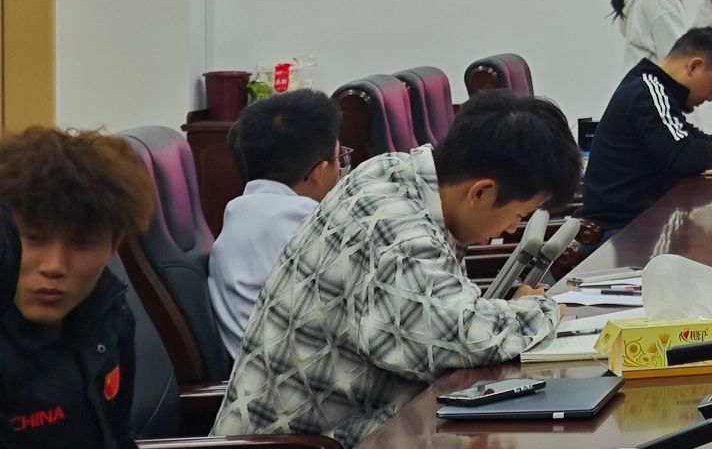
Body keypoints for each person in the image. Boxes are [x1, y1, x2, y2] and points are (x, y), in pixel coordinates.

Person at [212, 92, 584, 447]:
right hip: (296, 444)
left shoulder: (393, 172)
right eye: (518, 214)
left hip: (356, 428)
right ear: (481, 192)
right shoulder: (396, 227)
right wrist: (542, 309)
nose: (513, 229)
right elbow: (459, 338)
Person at [0, 127, 155, 449]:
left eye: (82, 244)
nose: (54, 265)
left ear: (115, 244)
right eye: (34, 238)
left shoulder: (109, 313)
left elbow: (118, 436)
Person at [582, 27, 712, 238]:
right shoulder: (647, 92)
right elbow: (683, 155)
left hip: (640, 222)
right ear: (694, 66)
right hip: (622, 231)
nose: (710, 97)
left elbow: (689, 138)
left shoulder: (652, 88)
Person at [208, 90, 345, 359]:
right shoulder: (305, 223)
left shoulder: (241, 211)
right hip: (294, 375)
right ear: (319, 172)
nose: (341, 173)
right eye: (339, 160)